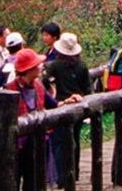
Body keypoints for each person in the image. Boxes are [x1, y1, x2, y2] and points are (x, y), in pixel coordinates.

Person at [6, 48, 61, 191]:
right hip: (16, 145)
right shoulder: (9, 89)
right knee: (13, 181)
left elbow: (53, 105)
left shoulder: (38, 85)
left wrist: (69, 102)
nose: (40, 66)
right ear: (29, 69)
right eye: (37, 65)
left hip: (36, 143)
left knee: (33, 182)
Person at [43, 32, 92, 188]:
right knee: (74, 139)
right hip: (77, 107)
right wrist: (80, 96)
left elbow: (45, 82)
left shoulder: (54, 66)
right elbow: (88, 88)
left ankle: (61, 176)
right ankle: (74, 171)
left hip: (60, 106)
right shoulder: (82, 66)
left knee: (58, 142)